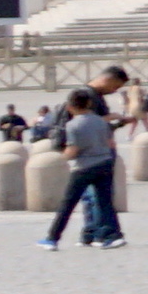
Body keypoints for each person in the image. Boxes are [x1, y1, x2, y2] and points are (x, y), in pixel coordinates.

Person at [43, 84, 122, 250]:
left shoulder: (73, 125)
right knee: (105, 201)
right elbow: (110, 143)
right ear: (89, 104)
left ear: (70, 107)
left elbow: (73, 150)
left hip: (84, 167)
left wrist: (62, 158)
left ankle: (52, 238)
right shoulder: (101, 122)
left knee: (68, 203)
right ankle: (112, 236)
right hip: (105, 162)